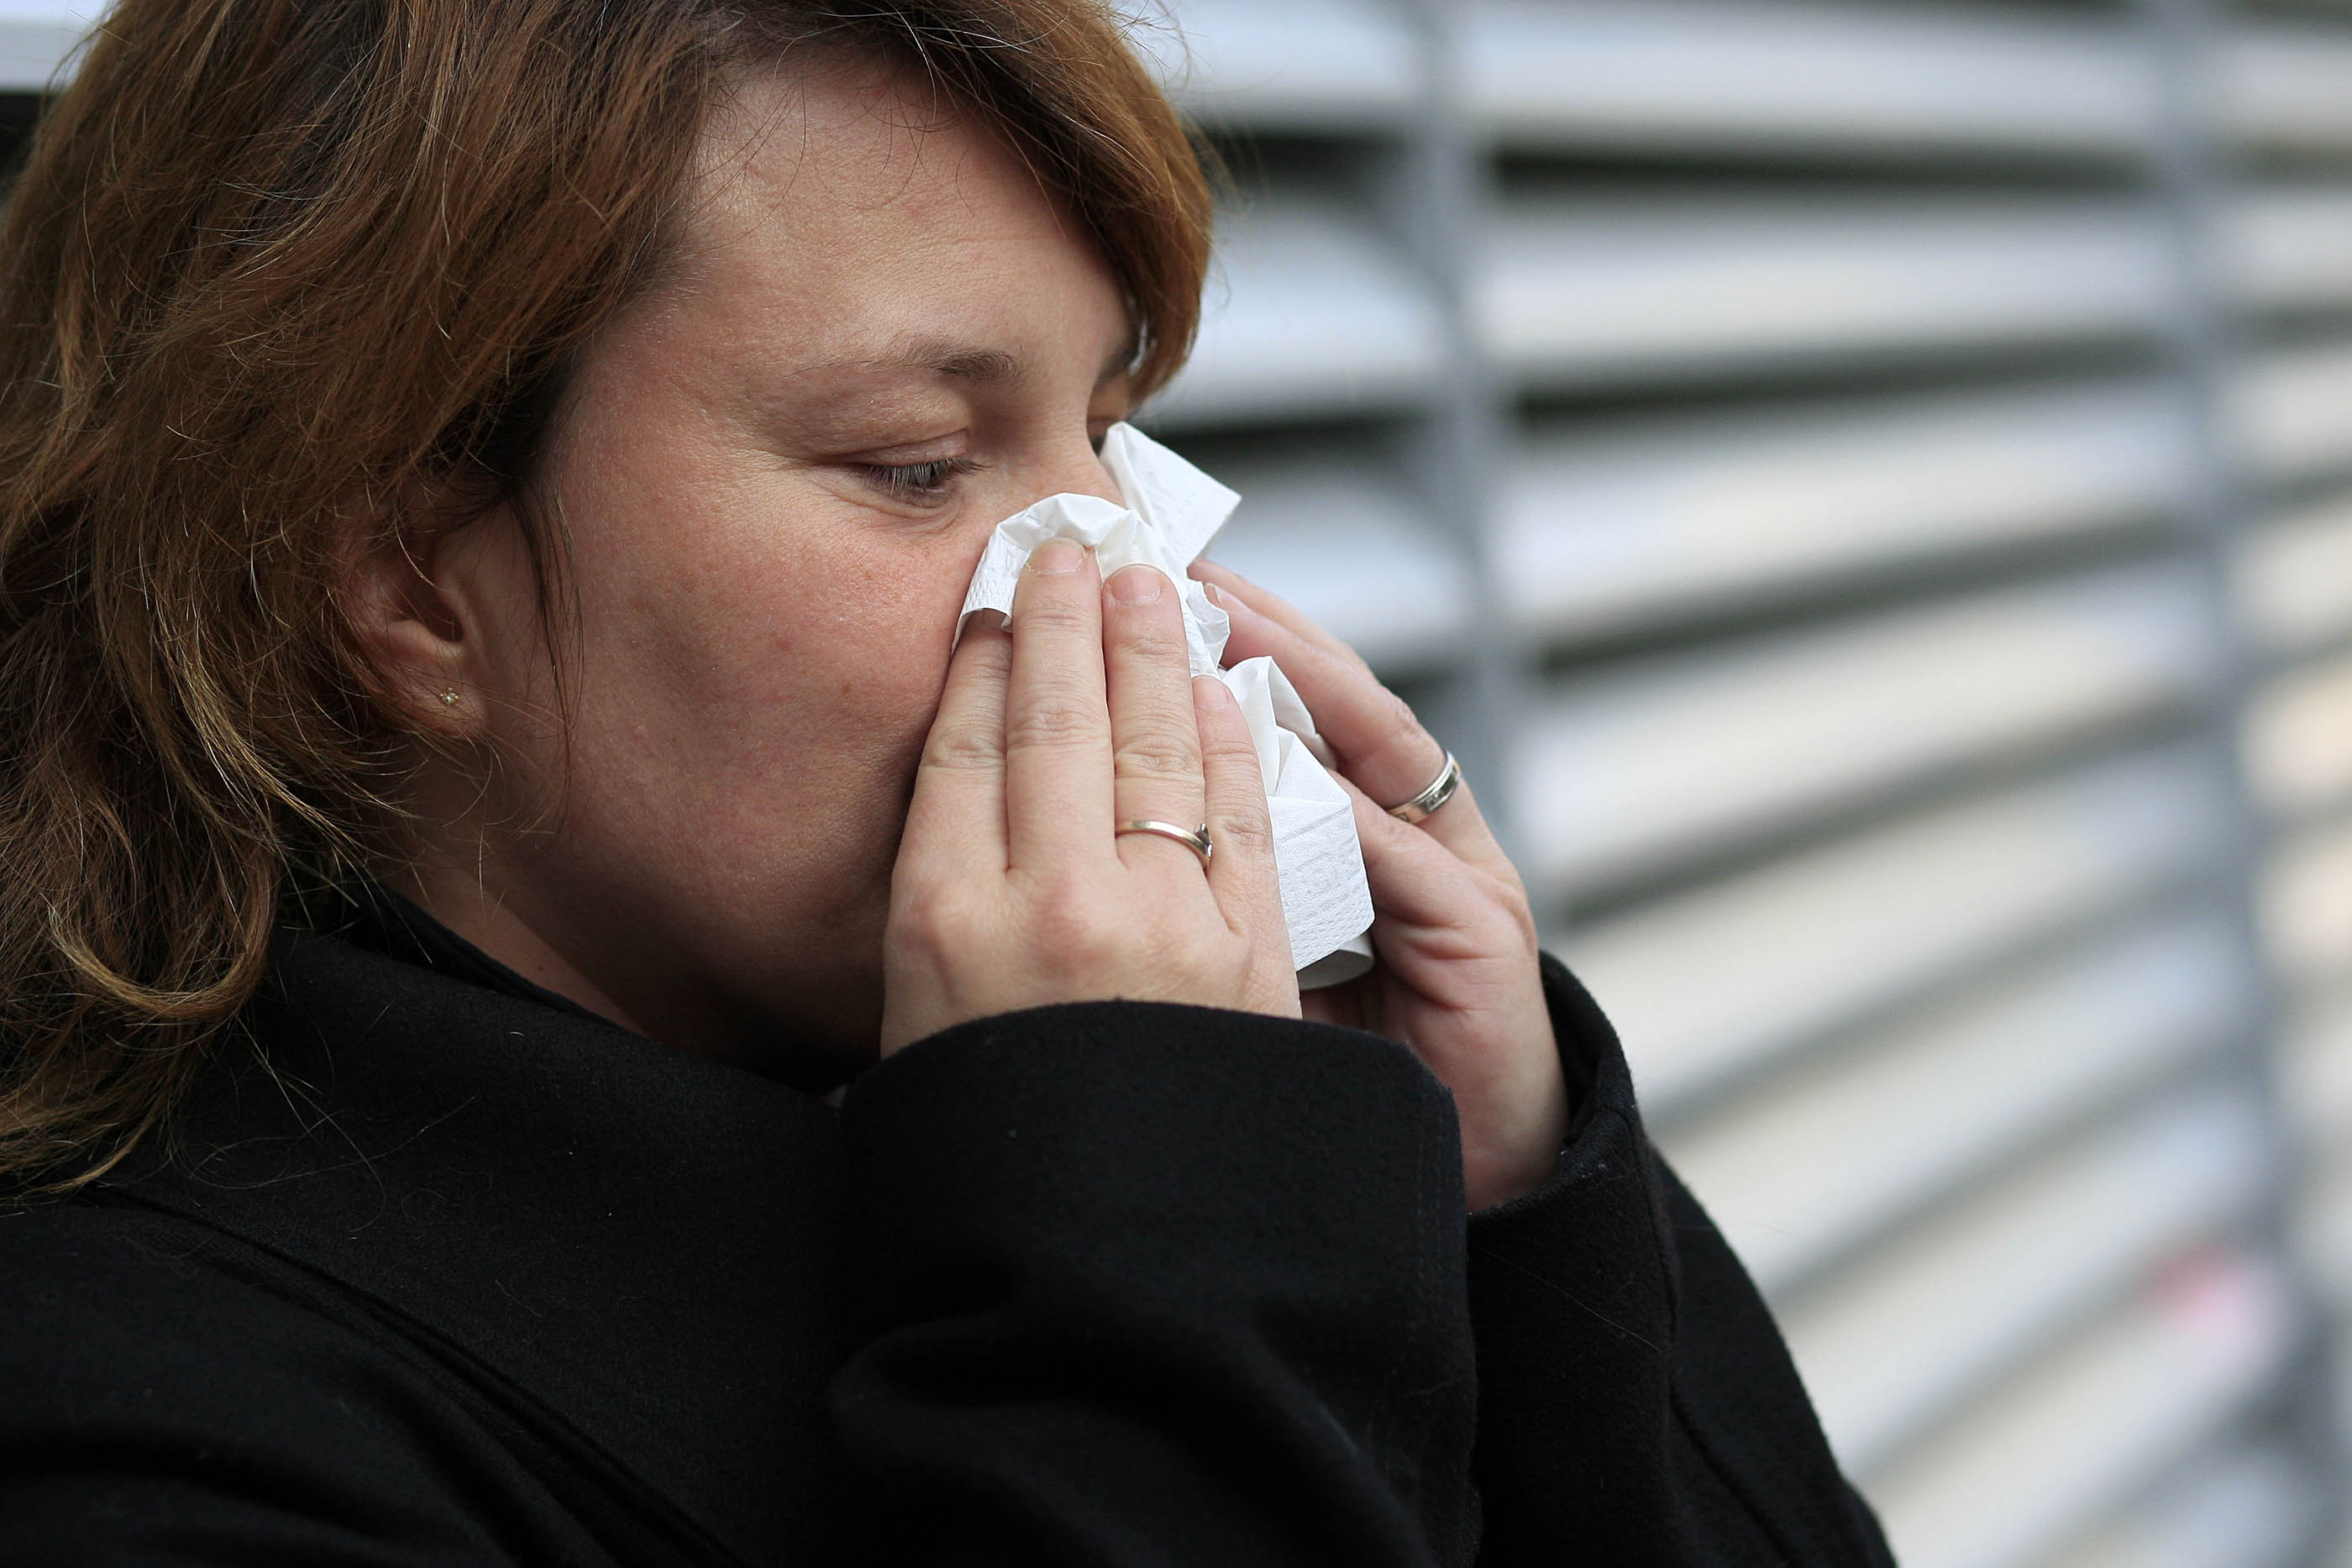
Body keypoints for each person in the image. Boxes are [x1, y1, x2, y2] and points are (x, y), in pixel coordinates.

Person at [0, 3, 1895, 1563]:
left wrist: (1513, 1228)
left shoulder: (1085, 1123)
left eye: (1110, 438)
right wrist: (1156, 1220)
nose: (1134, 587)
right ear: (409, 585)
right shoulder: (150, 1426)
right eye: (918, 464)